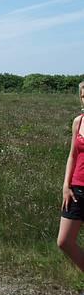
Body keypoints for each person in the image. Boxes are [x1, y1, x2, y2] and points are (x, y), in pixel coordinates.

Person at [57, 81, 84, 277]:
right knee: (64, 241)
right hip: (76, 189)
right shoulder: (79, 122)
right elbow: (72, 156)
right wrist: (66, 185)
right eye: (83, 96)